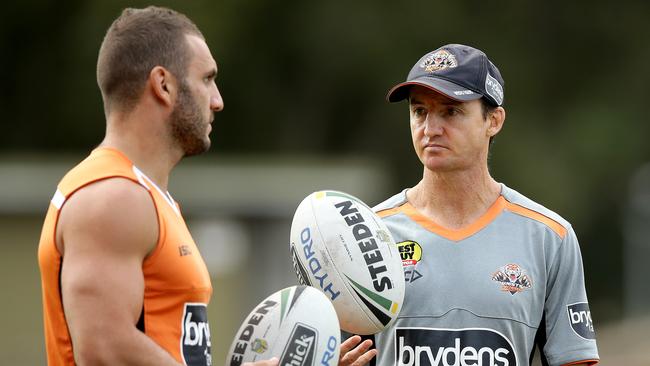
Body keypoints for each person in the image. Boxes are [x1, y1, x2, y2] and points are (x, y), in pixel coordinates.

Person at [37, 6, 374, 366]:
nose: (217, 100)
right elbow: (104, 349)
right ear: (163, 84)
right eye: (206, 79)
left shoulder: (144, 196)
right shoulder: (113, 196)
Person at [368, 44, 600, 366]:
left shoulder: (549, 237)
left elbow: (574, 360)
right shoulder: (369, 234)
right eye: (420, 111)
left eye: (451, 111)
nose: (430, 129)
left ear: (493, 120)